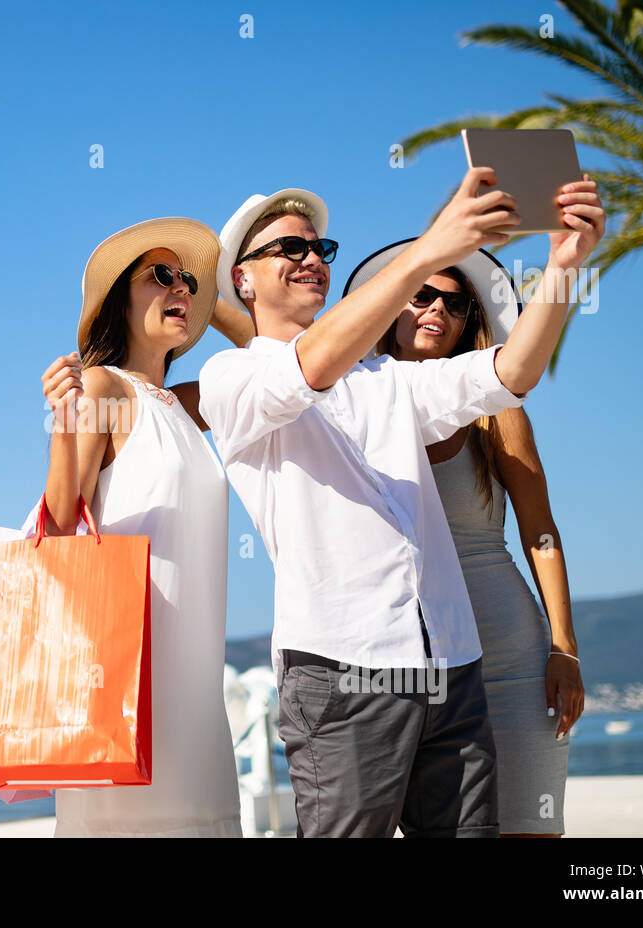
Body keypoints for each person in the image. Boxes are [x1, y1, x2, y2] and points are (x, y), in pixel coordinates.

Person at [197, 169, 604, 837]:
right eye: (288, 249)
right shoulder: (231, 377)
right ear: (242, 280)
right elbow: (310, 368)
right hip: (343, 671)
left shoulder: (386, 381)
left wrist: (564, 266)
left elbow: (514, 372)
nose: (310, 258)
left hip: (454, 664)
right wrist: (430, 249)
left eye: (318, 249)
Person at [344, 239, 585, 836]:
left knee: (531, 827)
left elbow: (541, 532)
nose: (437, 311)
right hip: (404, 663)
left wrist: (564, 647)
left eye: (456, 306)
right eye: (421, 294)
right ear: (390, 305)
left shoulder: (493, 411)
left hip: (509, 657)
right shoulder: (347, 403)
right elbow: (263, 353)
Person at [39, 217, 251, 837]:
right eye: (160, 275)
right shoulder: (103, 386)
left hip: (194, 687)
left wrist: (198, 297)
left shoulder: (187, 404)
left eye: (187, 279)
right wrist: (62, 422)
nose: (179, 288)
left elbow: (272, 362)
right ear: (116, 300)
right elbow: (57, 529)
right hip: (125, 677)